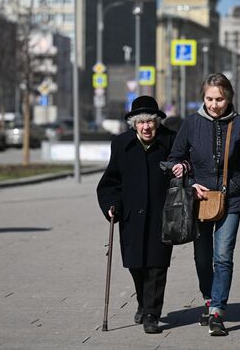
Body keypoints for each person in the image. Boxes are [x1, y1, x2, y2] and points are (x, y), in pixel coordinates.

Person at [169, 73, 240, 336]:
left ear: (228, 97)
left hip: (231, 200)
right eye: (209, 99)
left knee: (222, 256)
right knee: (202, 258)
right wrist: (188, 180)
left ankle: (217, 311)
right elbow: (174, 158)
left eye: (219, 99)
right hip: (199, 200)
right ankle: (209, 298)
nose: (214, 104)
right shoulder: (191, 124)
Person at [96, 95, 184, 334]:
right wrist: (111, 204)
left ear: (157, 122)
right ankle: (143, 304)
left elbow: (186, 164)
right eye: (142, 122)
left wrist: (183, 169)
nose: (147, 127)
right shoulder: (121, 144)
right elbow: (110, 181)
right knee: (136, 265)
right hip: (131, 216)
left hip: (162, 215)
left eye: (151, 122)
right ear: (134, 123)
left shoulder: (171, 141)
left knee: (157, 265)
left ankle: (151, 314)